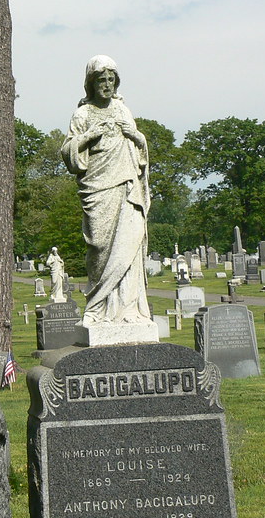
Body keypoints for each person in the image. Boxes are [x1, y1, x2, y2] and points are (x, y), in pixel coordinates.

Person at [60, 55, 152, 327]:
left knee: (129, 246)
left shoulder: (123, 110)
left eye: (111, 79)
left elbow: (139, 146)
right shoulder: (83, 114)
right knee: (99, 246)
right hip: (97, 188)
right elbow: (68, 152)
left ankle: (127, 309)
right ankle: (98, 307)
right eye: (102, 79)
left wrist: (138, 137)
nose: (107, 85)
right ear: (91, 82)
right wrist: (88, 136)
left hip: (126, 186)